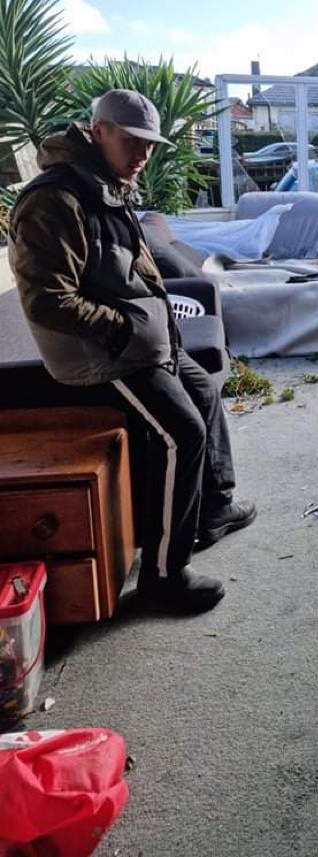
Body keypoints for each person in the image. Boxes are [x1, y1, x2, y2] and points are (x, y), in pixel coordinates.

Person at [8, 89, 257, 614]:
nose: (142, 153)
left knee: (204, 389)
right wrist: (125, 329)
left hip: (141, 341)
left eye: (148, 142)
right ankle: (164, 577)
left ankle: (213, 509)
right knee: (179, 433)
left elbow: (129, 271)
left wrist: (156, 325)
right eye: (131, 140)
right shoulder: (54, 200)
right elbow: (48, 301)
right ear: (97, 131)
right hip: (99, 353)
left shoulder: (108, 183)